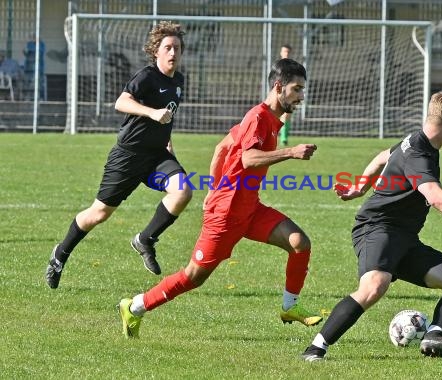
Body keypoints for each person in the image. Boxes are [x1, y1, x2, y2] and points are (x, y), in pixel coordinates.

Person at [117, 58, 323, 338]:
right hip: (225, 215)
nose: (300, 96)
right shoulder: (258, 118)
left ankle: (290, 306)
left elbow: (222, 148)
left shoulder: (270, 120)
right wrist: (291, 152)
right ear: (278, 87)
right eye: (296, 89)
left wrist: (213, 188)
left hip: (249, 209)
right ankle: (136, 306)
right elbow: (249, 158)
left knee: (299, 243)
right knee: (194, 277)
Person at [301, 90, 442, 361]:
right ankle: (315, 348)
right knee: (375, 285)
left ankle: (434, 337)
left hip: (405, 238)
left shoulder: (415, 139)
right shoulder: (420, 155)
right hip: (377, 228)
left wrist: (360, 187)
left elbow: (381, 156)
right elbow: (435, 197)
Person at [45, 21, 192, 289]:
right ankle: (59, 255)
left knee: (182, 191)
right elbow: (121, 102)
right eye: (168, 47)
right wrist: (151, 113)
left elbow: (167, 116)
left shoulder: (179, 81)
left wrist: (167, 140)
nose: (173, 53)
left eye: (177, 48)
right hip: (128, 156)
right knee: (99, 213)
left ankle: (145, 239)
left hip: (157, 155)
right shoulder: (146, 77)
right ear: (156, 52)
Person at [279, 44, 293, 146]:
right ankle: (283, 137)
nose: (286, 53)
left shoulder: (293, 66)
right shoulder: (278, 66)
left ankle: (284, 136)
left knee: (287, 115)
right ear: (281, 53)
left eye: (288, 52)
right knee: (282, 115)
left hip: (290, 93)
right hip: (280, 93)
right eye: (284, 51)